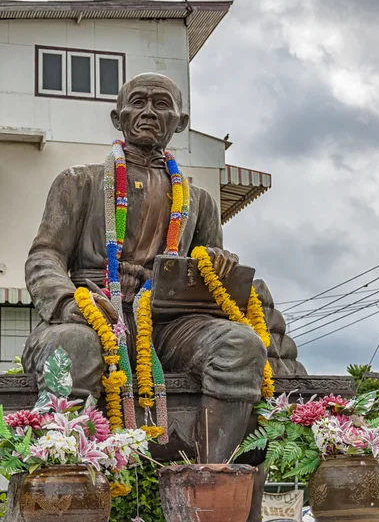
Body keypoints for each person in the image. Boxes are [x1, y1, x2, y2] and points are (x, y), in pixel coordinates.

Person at [22, 73, 267, 462]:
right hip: (93, 313)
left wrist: (217, 265)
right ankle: (61, 475)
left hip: (167, 326)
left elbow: (207, 278)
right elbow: (44, 257)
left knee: (241, 344)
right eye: (137, 102)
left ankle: (210, 479)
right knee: (74, 346)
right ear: (118, 116)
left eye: (162, 104)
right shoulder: (79, 181)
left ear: (180, 122)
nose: (149, 112)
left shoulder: (197, 200)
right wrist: (70, 303)